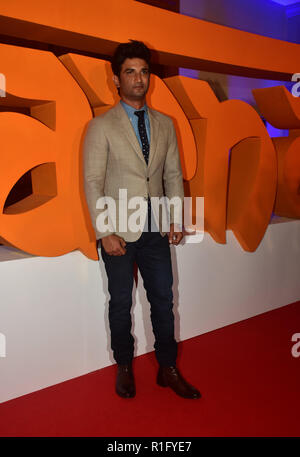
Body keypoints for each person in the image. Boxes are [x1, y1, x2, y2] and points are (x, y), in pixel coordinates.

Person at [83, 40, 201, 399]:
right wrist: (105, 231)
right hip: (118, 229)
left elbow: (171, 176)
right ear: (116, 80)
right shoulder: (100, 126)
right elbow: (92, 181)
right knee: (121, 302)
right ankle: (124, 367)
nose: (138, 79)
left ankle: (168, 367)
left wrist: (175, 219)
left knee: (163, 299)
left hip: (155, 228)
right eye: (130, 72)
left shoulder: (166, 124)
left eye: (144, 72)